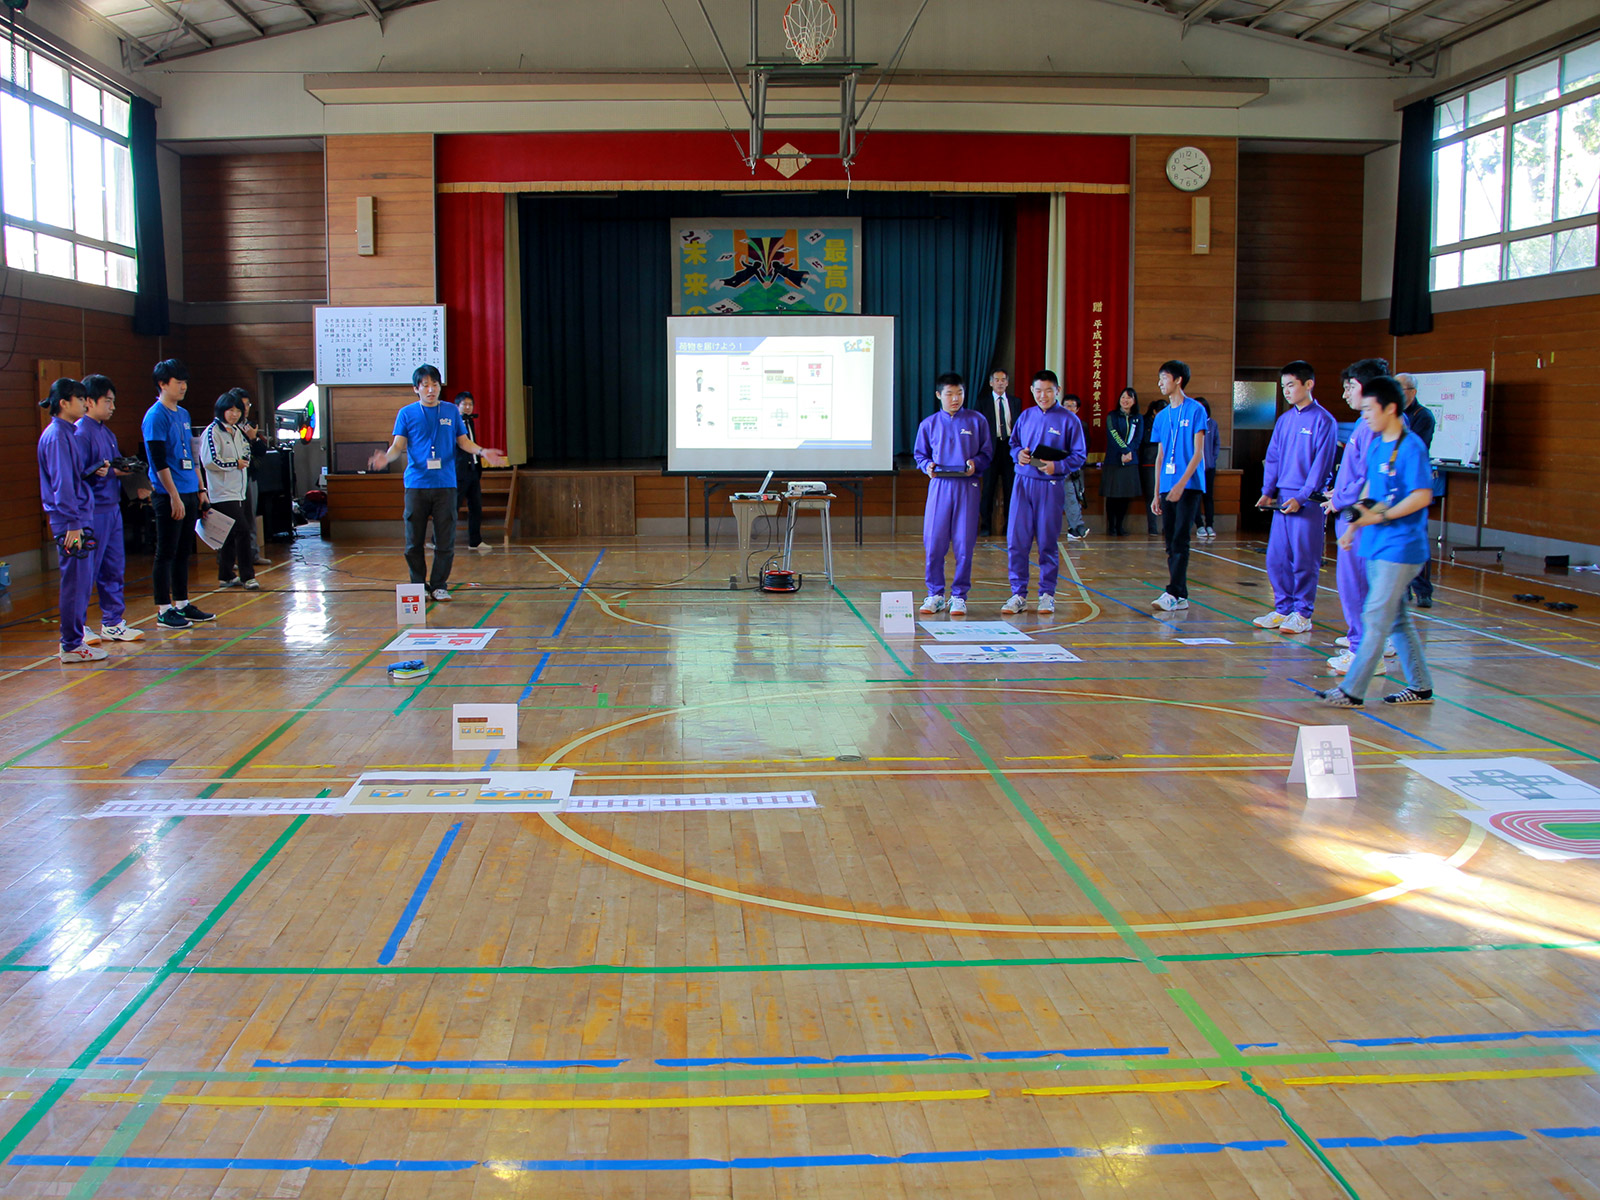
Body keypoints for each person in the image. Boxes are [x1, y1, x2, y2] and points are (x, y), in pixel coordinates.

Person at [1319, 375, 1436, 708]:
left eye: (1370, 409)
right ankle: (1421, 687)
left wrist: (1382, 517)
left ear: (1391, 408)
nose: (1365, 415)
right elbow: (1371, 490)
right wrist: (1354, 526)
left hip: (1401, 548)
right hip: (1376, 544)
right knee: (1396, 618)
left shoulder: (1411, 447)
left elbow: (1421, 496)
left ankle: (1352, 691)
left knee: (1374, 617)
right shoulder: (1376, 445)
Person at [370, 365, 505, 601]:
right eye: (425, 385)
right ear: (416, 389)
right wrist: (386, 458)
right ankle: (418, 584)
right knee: (414, 541)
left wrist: (482, 451)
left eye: (435, 385)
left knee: (445, 539)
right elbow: (398, 446)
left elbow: (463, 442)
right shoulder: (406, 413)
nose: (431, 390)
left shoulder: (451, 411)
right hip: (417, 485)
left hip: (446, 485)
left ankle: (439, 585)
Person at [1322, 358, 1398, 676]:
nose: (1346, 394)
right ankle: (1369, 644)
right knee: (1358, 585)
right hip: (1354, 513)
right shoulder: (1363, 424)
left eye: (1350, 387)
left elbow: (1368, 479)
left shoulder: (1375, 427)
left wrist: (1341, 501)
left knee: (1357, 585)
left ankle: (1365, 653)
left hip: (1363, 516)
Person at [1252, 362, 1337, 636]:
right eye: (1283, 386)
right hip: (1283, 498)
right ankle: (1283, 608)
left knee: (1304, 559)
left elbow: (1321, 466)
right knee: (1276, 558)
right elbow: (1273, 457)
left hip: (1308, 500)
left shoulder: (1324, 420)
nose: (1286, 391)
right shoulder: (1284, 420)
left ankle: (1302, 613)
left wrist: (1302, 496)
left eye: (1291, 385)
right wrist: (1268, 490)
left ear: (1308, 384)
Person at [1001, 370, 1086, 615]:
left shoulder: (1069, 420)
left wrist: (1056, 467)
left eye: (1048, 390)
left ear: (1057, 391)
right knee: (1017, 541)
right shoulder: (1026, 416)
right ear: (1032, 391)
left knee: (1047, 542)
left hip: (1050, 486)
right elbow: (1013, 444)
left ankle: (1047, 594)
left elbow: (1079, 455)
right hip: (1022, 483)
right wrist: (1018, 454)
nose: (1043, 395)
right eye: (1038, 390)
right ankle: (1018, 594)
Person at [141, 359, 215, 630]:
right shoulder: (155, 416)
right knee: (166, 552)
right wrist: (172, 495)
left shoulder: (183, 414)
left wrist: (200, 489)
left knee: (184, 551)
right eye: (178, 382)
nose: (183, 386)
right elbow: (158, 460)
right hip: (168, 494)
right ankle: (164, 609)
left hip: (188, 489)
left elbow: (192, 456)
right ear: (162, 384)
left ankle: (182, 603)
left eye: (185, 382)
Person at [914, 371, 993, 615]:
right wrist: (927, 466)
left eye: (959, 393)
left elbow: (987, 453)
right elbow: (920, 455)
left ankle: (959, 595)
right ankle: (935, 594)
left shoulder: (977, 421)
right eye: (949, 394)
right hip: (940, 486)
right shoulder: (929, 424)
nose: (955, 399)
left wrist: (975, 464)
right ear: (939, 395)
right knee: (934, 542)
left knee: (964, 543)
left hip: (967, 487)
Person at [75, 375, 145, 644]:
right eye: (108, 401)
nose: (112, 407)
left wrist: (128, 473)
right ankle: (78, 627)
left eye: (113, 401)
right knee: (86, 571)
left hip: (112, 508)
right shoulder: (81, 433)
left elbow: (110, 468)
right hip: (91, 511)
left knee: (113, 567)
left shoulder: (107, 433)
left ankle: (113, 622)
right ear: (89, 401)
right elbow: (77, 474)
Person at [38, 379, 104, 663]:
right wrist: (73, 523)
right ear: (64, 403)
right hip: (71, 522)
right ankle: (72, 644)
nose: (85, 403)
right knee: (75, 583)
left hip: (77, 517)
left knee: (81, 581)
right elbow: (63, 485)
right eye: (80, 399)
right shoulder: (57, 436)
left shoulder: (68, 433)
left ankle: (74, 641)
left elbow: (73, 477)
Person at [1148, 360, 1209, 612]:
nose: (1160, 383)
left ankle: (1173, 592)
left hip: (1189, 485)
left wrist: (1181, 484)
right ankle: (1180, 595)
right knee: (1170, 540)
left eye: (1164, 378)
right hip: (1167, 485)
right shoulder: (1162, 416)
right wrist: (1156, 493)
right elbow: (1160, 456)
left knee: (1181, 538)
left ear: (1178, 380)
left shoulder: (1196, 410)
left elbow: (1198, 453)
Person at [202, 392, 258, 591]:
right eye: (230, 410)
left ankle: (226, 575)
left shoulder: (237, 431)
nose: (234, 414)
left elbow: (246, 452)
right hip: (221, 491)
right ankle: (248, 576)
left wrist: (244, 459)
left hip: (238, 490)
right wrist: (235, 463)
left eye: (238, 411)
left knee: (228, 533)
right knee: (242, 530)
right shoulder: (212, 431)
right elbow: (210, 460)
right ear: (221, 410)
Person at [1396, 372, 1437, 608]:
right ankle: (1402, 588)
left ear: (1412, 392)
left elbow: (1412, 448)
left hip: (1413, 485)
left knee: (1417, 537)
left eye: (1401, 389)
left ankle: (1423, 590)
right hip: (1395, 486)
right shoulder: (1393, 414)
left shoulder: (1423, 416)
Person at [230, 387, 273, 567]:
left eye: (248, 405)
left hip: (249, 477)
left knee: (250, 517)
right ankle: (229, 558)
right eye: (242, 405)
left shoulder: (251, 425)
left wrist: (253, 438)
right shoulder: (226, 427)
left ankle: (253, 554)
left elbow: (262, 451)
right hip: (231, 479)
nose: (245, 408)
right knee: (232, 517)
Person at [975, 369, 1018, 537]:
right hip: (990, 450)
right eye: (997, 380)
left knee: (1010, 490)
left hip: (1009, 449)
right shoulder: (982, 403)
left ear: (1007, 382)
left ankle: (1009, 527)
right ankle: (985, 527)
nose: (1000, 383)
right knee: (988, 490)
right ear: (991, 382)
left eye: (1003, 380)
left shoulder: (1015, 402)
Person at [1101, 387, 1143, 536]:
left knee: (1125, 495)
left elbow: (1138, 438)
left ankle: (1120, 525)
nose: (1125, 400)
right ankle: (1111, 526)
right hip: (1114, 460)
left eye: (1129, 398)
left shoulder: (1138, 418)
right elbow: (1113, 434)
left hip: (1130, 461)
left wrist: (1129, 452)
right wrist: (1125, 450)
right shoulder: (1112, 416)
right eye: (1123, 397)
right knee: (1112, 495)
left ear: (1134, 401)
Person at [454, 390, 489, 552]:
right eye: (464, 404)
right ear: (457, 406)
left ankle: (475, 541)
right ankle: (437, 539)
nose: (468, 407)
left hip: (473, 469)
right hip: (459, 471)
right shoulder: (454, 423)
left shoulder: (470, 422)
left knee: (476, 507)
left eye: (470, 404)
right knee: (452, 507)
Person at [1059, 394, 1090, 542]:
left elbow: (1085, 448)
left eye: (1072, 406)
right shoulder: (1055, 423)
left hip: (1073, 468)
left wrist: (1075, 465)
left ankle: (1076, 527)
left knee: (1073, 497)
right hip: (1054, 467)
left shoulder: (1082, 425)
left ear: (1077, 409)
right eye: (1066, 405)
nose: (1069, 408)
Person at [1139, 392, 1169, 534]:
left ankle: (1166, 527)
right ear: (1154, 412)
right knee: (1152, 496)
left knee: (1167, 495)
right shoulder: (1146, 422)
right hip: (1149, 463)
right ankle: (1152, 528)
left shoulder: (1170, 421)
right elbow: (1146, 440)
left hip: (1167, 463)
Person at [1191, 398, 1220, 541]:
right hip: (1194, 468)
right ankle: (1199, 526)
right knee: (1195, 498)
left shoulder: (1212, 424)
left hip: (1209, 468)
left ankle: (1210, 525)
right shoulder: (1190, 424)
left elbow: (1216, 444)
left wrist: (1212, 459)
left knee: (1208, 497)